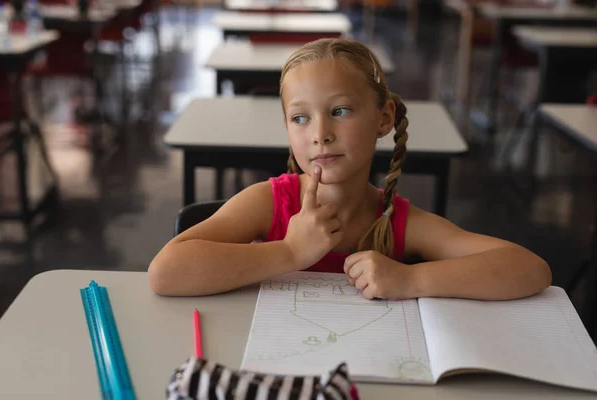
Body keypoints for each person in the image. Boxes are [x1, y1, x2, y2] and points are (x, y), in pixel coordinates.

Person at [148, 38, 551, 300]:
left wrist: (412, 280)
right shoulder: (270, 204)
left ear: (383, 117)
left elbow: (530, 269)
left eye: (340, 111)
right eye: (300, 118)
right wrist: (288, 251)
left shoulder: (397, 223)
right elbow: (166, 272)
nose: (320, 134)